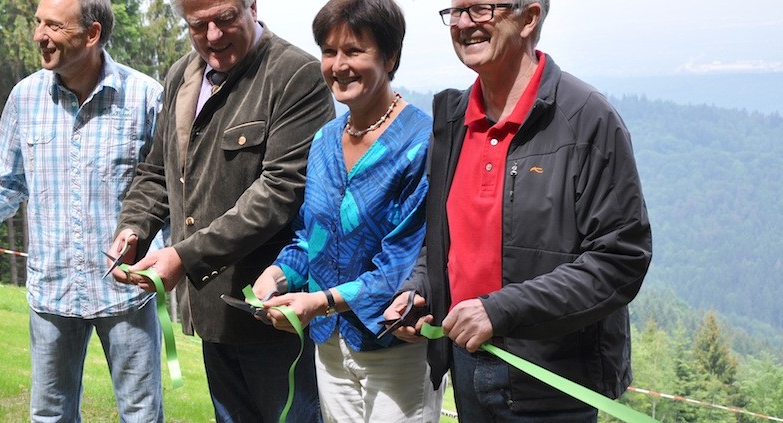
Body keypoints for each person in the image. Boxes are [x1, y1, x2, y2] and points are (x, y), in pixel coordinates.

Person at [384, 0, 652, 421]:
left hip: (552, 382)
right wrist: (418, 292)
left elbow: (620, 259)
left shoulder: (586, 119)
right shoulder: (453, 120)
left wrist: (499, 310)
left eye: (482, 9)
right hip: (466, 365)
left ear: (529, 18)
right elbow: (445, 243)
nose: (464, 23)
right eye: (455, 12)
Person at [106, 0, 335, 421]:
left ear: (252, 6)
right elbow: (159, 171)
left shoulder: (295, 75)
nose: (213, 36)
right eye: (198, 25)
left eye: (225, 19)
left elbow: (279, 192)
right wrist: (134, 228)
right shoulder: (182, 75)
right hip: (214, 315)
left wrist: (183, 256)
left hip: (276, 315)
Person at [0, 0, 165, 421]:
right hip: (51, 290)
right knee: (49, 414)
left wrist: (170, 254)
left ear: (91, 34)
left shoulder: (145, 97)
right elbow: (7, 179)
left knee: (141, 414)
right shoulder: (25, 97)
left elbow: (166, 188)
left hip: (126, 290)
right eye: (38, 23)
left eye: (53, 25)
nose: (39, 35)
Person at [250, 0, 443, 421]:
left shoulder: (422, 141)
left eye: (354, 51)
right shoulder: (323, 140)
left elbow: (401, 261)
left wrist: (318, 302)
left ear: (390, 57)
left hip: (392, 344)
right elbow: (310, 236)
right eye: (329, 51)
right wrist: (278, 275)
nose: (339, 65)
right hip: (329, 345)